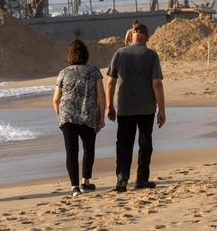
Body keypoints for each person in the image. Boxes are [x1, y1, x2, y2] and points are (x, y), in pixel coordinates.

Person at [106, 24, 166, 192]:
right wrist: (162, 109)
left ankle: (122, 177)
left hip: (125, 106)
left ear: (131, 36)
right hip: (146, 107)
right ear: (147, 37)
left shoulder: (120, 53)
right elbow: (157, 83)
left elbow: (110, 82)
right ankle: (141, 179)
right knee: (145, 143)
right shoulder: (151, 54)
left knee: (124, 143)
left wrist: (110, 106)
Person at [53, 40, 106, 197]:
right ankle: (86, 182)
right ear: (86, 54)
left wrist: (61, 117)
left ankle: (74, 187)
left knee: (71, 151)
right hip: (88, 115)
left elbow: (56, 99)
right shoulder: (94, 72)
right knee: (89, 149)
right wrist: (101, 117)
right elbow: (101, 96)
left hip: (67, 116)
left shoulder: (63, 73)